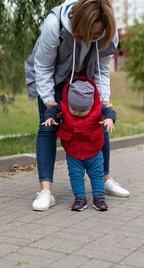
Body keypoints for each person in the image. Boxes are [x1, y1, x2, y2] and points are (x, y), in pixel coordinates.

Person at [25, 0, 130, 212]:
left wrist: (105, 101)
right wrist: (48, 100)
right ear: (79, 23)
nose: (94, 37)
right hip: (51, 78)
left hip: (85, 80)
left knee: (98, 123)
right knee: (47, 127)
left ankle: (105, 179)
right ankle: (45, 191)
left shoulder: (108, 31)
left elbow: (101, 68)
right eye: (90, 33)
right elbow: (42, 65)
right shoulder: (55, 25)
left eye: (98, 33)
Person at [41, 77, 116, 211]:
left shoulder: (97, 107)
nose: (77, 113)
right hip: (73, 153)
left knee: (97, 174)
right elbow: (52, 110)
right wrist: (49, 117)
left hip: (94, 152)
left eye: (82, 111)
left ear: (91, 104)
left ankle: (99, 197)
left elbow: (110, 111)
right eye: (73, 109)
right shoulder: (64, 106)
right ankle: (80, 198)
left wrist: (110, 119)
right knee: (75, 176)